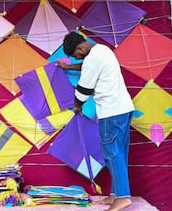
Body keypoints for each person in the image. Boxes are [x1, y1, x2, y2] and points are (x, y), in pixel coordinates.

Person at [57, 32, 135, 211]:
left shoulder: (93, 59)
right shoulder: (102, 51)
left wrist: (77, 106)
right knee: (119, 154)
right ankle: (116, 194)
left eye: (76, 55)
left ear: (81, 48)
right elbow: (86, 66)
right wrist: (67, 66)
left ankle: (123, 198)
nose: (77, 58)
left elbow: (84, 89)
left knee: (112, 155)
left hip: (111, 113)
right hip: (124, 109)